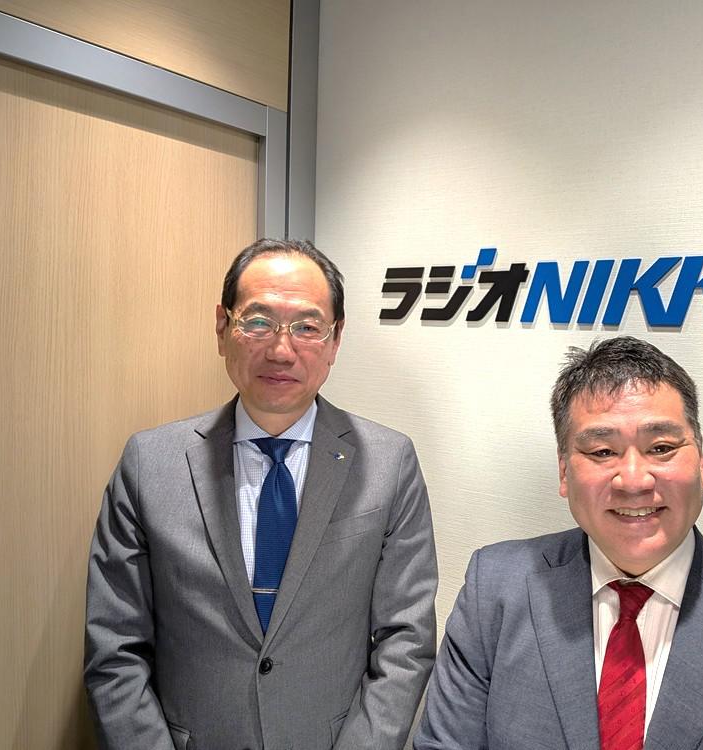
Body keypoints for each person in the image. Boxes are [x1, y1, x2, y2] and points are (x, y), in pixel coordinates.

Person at [415, 336, 703, 750]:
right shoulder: (494, 589)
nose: (634, 480)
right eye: (602, 451)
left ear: (702, 461)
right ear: (564, 471)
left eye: (661, 448)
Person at [85, 238, 438, 750]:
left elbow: (406, 641)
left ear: (335, 340)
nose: (280, 350)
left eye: (307, 327)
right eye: (257, 322)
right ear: (222, 327)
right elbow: (115, 648)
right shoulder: (149, 462)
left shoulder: (389, 462)